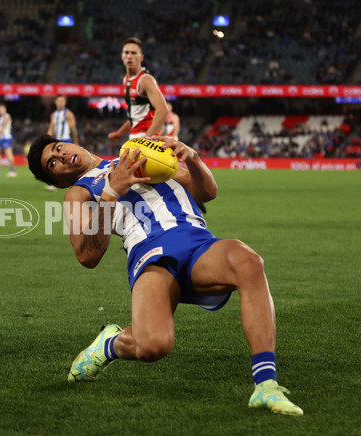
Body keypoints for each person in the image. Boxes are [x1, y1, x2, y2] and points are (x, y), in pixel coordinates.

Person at [26, 134, 304, 416]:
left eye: (58, 149)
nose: (60, 157)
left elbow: (207, 192)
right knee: (153, 345)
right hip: (150, 255)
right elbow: (87, 255)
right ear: (59, 181)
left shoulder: (138, 152)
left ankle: (266, 385)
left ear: (75, 144)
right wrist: (111, 192)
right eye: (52, 164)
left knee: (248, 262)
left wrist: (193, 159)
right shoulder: (78, 193)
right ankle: (109, 344)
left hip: (197, 242)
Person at [108, 37, 170, 143]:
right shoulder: (126, 80)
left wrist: (146, 140)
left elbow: (163, 110)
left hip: (147, 135)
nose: (129, 56)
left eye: (133, 53)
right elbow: (135, 115)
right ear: (122, 56)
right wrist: (120, 133)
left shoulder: (145, 80)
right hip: (134, 136)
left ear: (141, 57)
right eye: (126, 53)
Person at [45, 95, 79, 191]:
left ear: (65, 102)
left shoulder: (68, 114)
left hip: (66, 141)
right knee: (55, 163)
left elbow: (73, 129)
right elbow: (51, 129)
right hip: (57, 141)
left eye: (62, 101)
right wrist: (46, 140)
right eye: (58, 101)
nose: (60, 103)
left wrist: (75, 142)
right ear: (55, 102)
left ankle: (74, 183)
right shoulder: (53, 115)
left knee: (68, 164)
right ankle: (55, 183)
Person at [0, 103, 16, 178]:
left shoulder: (6, 116)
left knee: (8, 154)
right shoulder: (1, 117)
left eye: (1, 109)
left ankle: (12, 171)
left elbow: (4, 127)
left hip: (6, 138)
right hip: (1, 138)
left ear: (4, 109)